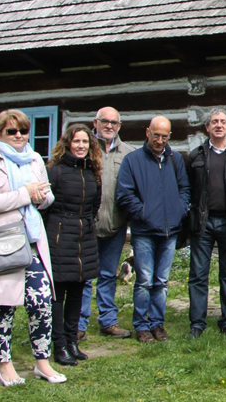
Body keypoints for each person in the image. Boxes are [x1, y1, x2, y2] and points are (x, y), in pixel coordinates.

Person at [0, 109, 66, 386]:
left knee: (42, 301)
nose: (19, 135)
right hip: (2, 242)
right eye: (12, 131)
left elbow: (46, 197)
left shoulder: (34, 159)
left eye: (23, 130)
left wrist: (42, 197)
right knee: (3, 304)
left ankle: (42, 363)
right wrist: (25, 194)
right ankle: (5, 365)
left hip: (31, 240)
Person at [117, 116, 190, 343]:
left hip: (170, 231)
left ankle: (157, 324)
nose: (159, 140)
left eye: (164, 136)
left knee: (162, 281)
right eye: (156, 135)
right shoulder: (132, 161)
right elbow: (125, 194)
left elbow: (184, 189)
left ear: (170, 136)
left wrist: (179, 211)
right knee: (144, 281)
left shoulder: (176, 160)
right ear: (147, 132)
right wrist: (144, 214)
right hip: (144, 232)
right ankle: (141, 326)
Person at [187, 108, 226, 339]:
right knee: (198, 275)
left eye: (223, 122)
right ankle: (197, 323)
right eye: (214, 122)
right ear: (207, 127)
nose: (219, 125)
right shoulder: (196, 156)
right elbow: (188, 189)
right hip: (203, 222)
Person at [44, 124, 102, 366]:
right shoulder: (55, 171)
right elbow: (45, 207)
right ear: (68, 143)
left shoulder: (92, 171)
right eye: (77, 141)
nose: (81, 146)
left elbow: (95, 204)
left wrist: (86, 225)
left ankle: (72, 341)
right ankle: (59, 345)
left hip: (84, 237)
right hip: (60, 236)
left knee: (78, 291)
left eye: (85, 142)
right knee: (58, 294)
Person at [79, 106, 135, 340]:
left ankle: (108, 321)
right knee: (83, 276)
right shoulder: (83, 149)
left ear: (119, 126)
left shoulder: (129, 154)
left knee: (108, 274)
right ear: (95, 123)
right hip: (86, 225)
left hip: (115, 225)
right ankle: (78, 324)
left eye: (114, 122)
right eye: (105, 121)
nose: (109, 126)